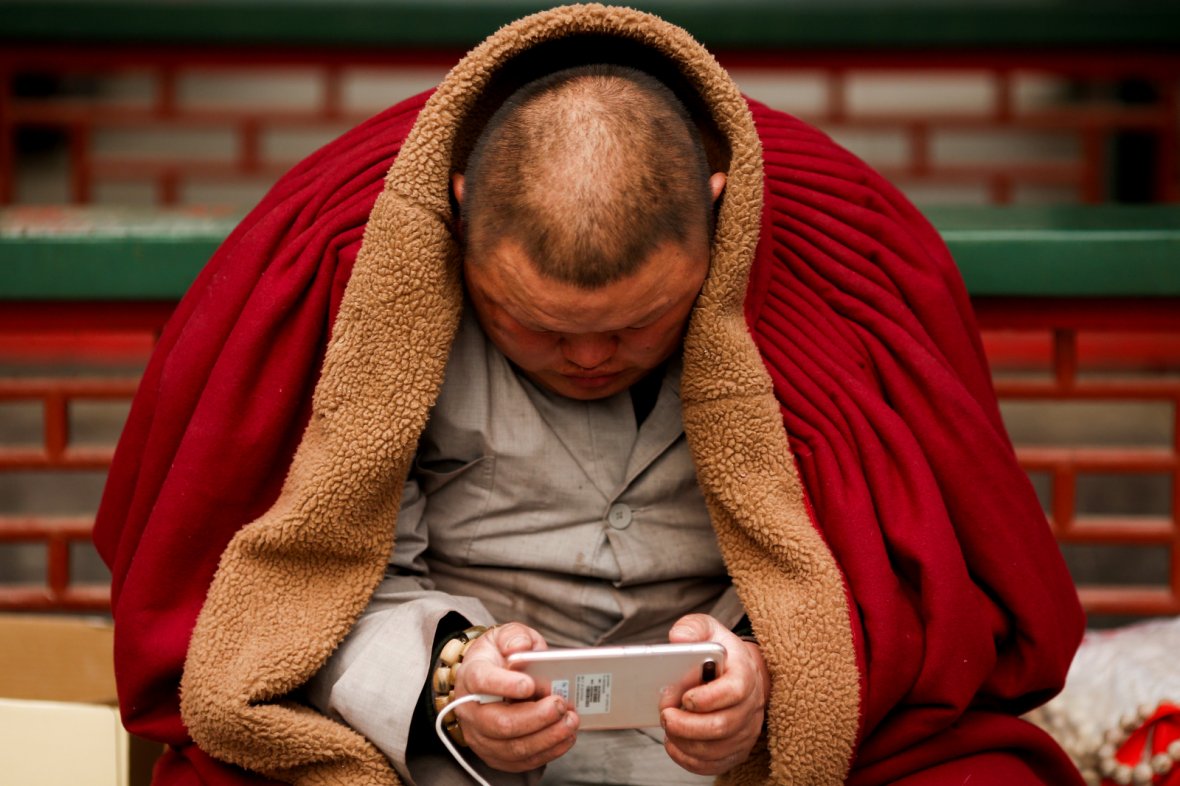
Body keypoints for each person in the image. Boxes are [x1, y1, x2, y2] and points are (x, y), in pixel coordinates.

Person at [93, 5, 1087, 786]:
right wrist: (446, 678)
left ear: (715, 213)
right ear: (460, 213)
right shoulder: (351, 270)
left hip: (730, 757)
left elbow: (904, 583)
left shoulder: (832, 262)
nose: (589, 359)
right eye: (534, 326)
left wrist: (767, 674)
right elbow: (294, 584)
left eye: (638, 326)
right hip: (442, 751)